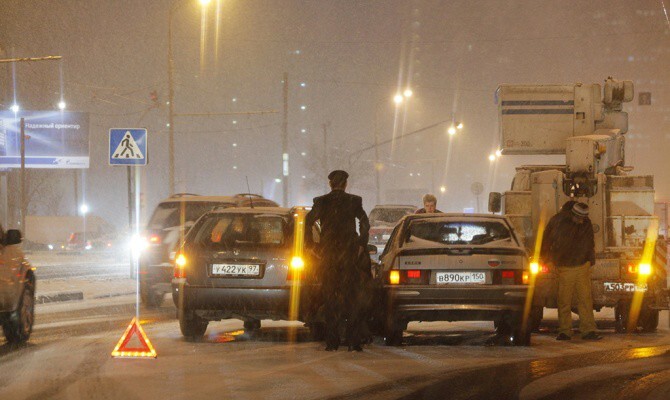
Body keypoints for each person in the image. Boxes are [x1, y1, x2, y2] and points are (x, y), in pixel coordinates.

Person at [305, 170, 370, 351]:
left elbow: (308, 221)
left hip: (328, 256)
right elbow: (364, 222)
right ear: (345, 184)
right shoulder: (354, 201)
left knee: (330, 298)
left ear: (330, 184)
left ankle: (332, 342)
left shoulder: (321, 202)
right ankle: (353, 341)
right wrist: (361, 244)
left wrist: (311, 245)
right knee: (351, 298)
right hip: (348, 256)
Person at [540, 202, 602, 341]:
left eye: (583, 218)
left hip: (579, 265)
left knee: (583, 300)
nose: (581, 221)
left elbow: (589, 242)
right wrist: (545, 258)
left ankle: (585, 330)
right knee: (566, 300)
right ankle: (566, 331)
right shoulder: (559, 221)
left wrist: (589, 260)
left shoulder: (582, 222)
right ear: (573, 214)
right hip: (566, 266)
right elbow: (546, 240)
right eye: (579, 218)